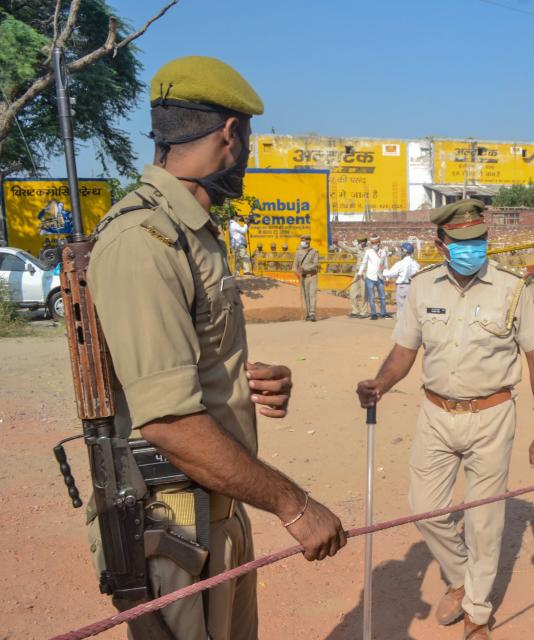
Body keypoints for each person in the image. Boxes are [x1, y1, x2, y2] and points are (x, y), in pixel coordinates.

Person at [87, 56, 346, 639]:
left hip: (216, 508)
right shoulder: (143, 239)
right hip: (174, 522)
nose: (248, 154)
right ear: (231, 134)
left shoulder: (190, 232)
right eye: (248, 138)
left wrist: (246, 384)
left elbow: (189, 372)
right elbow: (170, 421)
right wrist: (295, 505)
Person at [355, 199, 534, 639]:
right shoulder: (424, 288)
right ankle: (462, 576)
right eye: (462, 243)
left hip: (492, 415)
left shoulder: (512, 288)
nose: (473, 249)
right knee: (424, 508)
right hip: (436, 413)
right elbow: (404, 352)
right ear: (441, 244)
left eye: (479, 241)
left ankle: (477, 613)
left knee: (485, 521)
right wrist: (380, 384)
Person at [384, 241, 420, 315]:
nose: (400, 252)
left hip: (402, 287)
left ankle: (402, 325)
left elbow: (390, 274)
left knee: (401, 309)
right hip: (412, 287)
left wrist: (384, 271)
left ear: (405, 251)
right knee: (411, 309)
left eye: (402, 250)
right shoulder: (416, 264)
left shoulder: (401, 263)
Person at [359, 234, 390, 320]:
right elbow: (364, 263)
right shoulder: (368, 252)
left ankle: (383, 313)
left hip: (380, 277)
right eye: (372, 243)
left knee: (382, 297)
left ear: (379, 242)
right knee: (371, 297)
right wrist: (359, 273)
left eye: (375, 243)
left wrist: (387, 278)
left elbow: (386, 266)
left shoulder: (383, 252)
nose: (374, 244)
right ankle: (373, 314)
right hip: (370, 277)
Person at [339, 237, 370, 318]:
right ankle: (355, 310)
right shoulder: (358, 249)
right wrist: (338, 243)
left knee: (364, 294)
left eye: (360, 241)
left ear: (364, 242)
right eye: (358, 241)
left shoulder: (369, 250)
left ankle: (364, 312)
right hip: (357, 274)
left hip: (365, 273)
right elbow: (348, 249)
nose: (359, 243)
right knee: (352, 293)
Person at [293, 233, 319, 321]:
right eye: (302, 240)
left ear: (308, 241)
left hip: (312, 276)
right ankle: (307, 313)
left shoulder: (314, 251)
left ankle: (312, 313)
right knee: (306, 296)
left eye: (304, 240)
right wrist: (298, 273)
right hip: (303, 277)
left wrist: (305, 268)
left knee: (312, 295)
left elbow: (315, 264)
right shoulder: (298, 252)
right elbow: (294, 266)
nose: (302, 242)